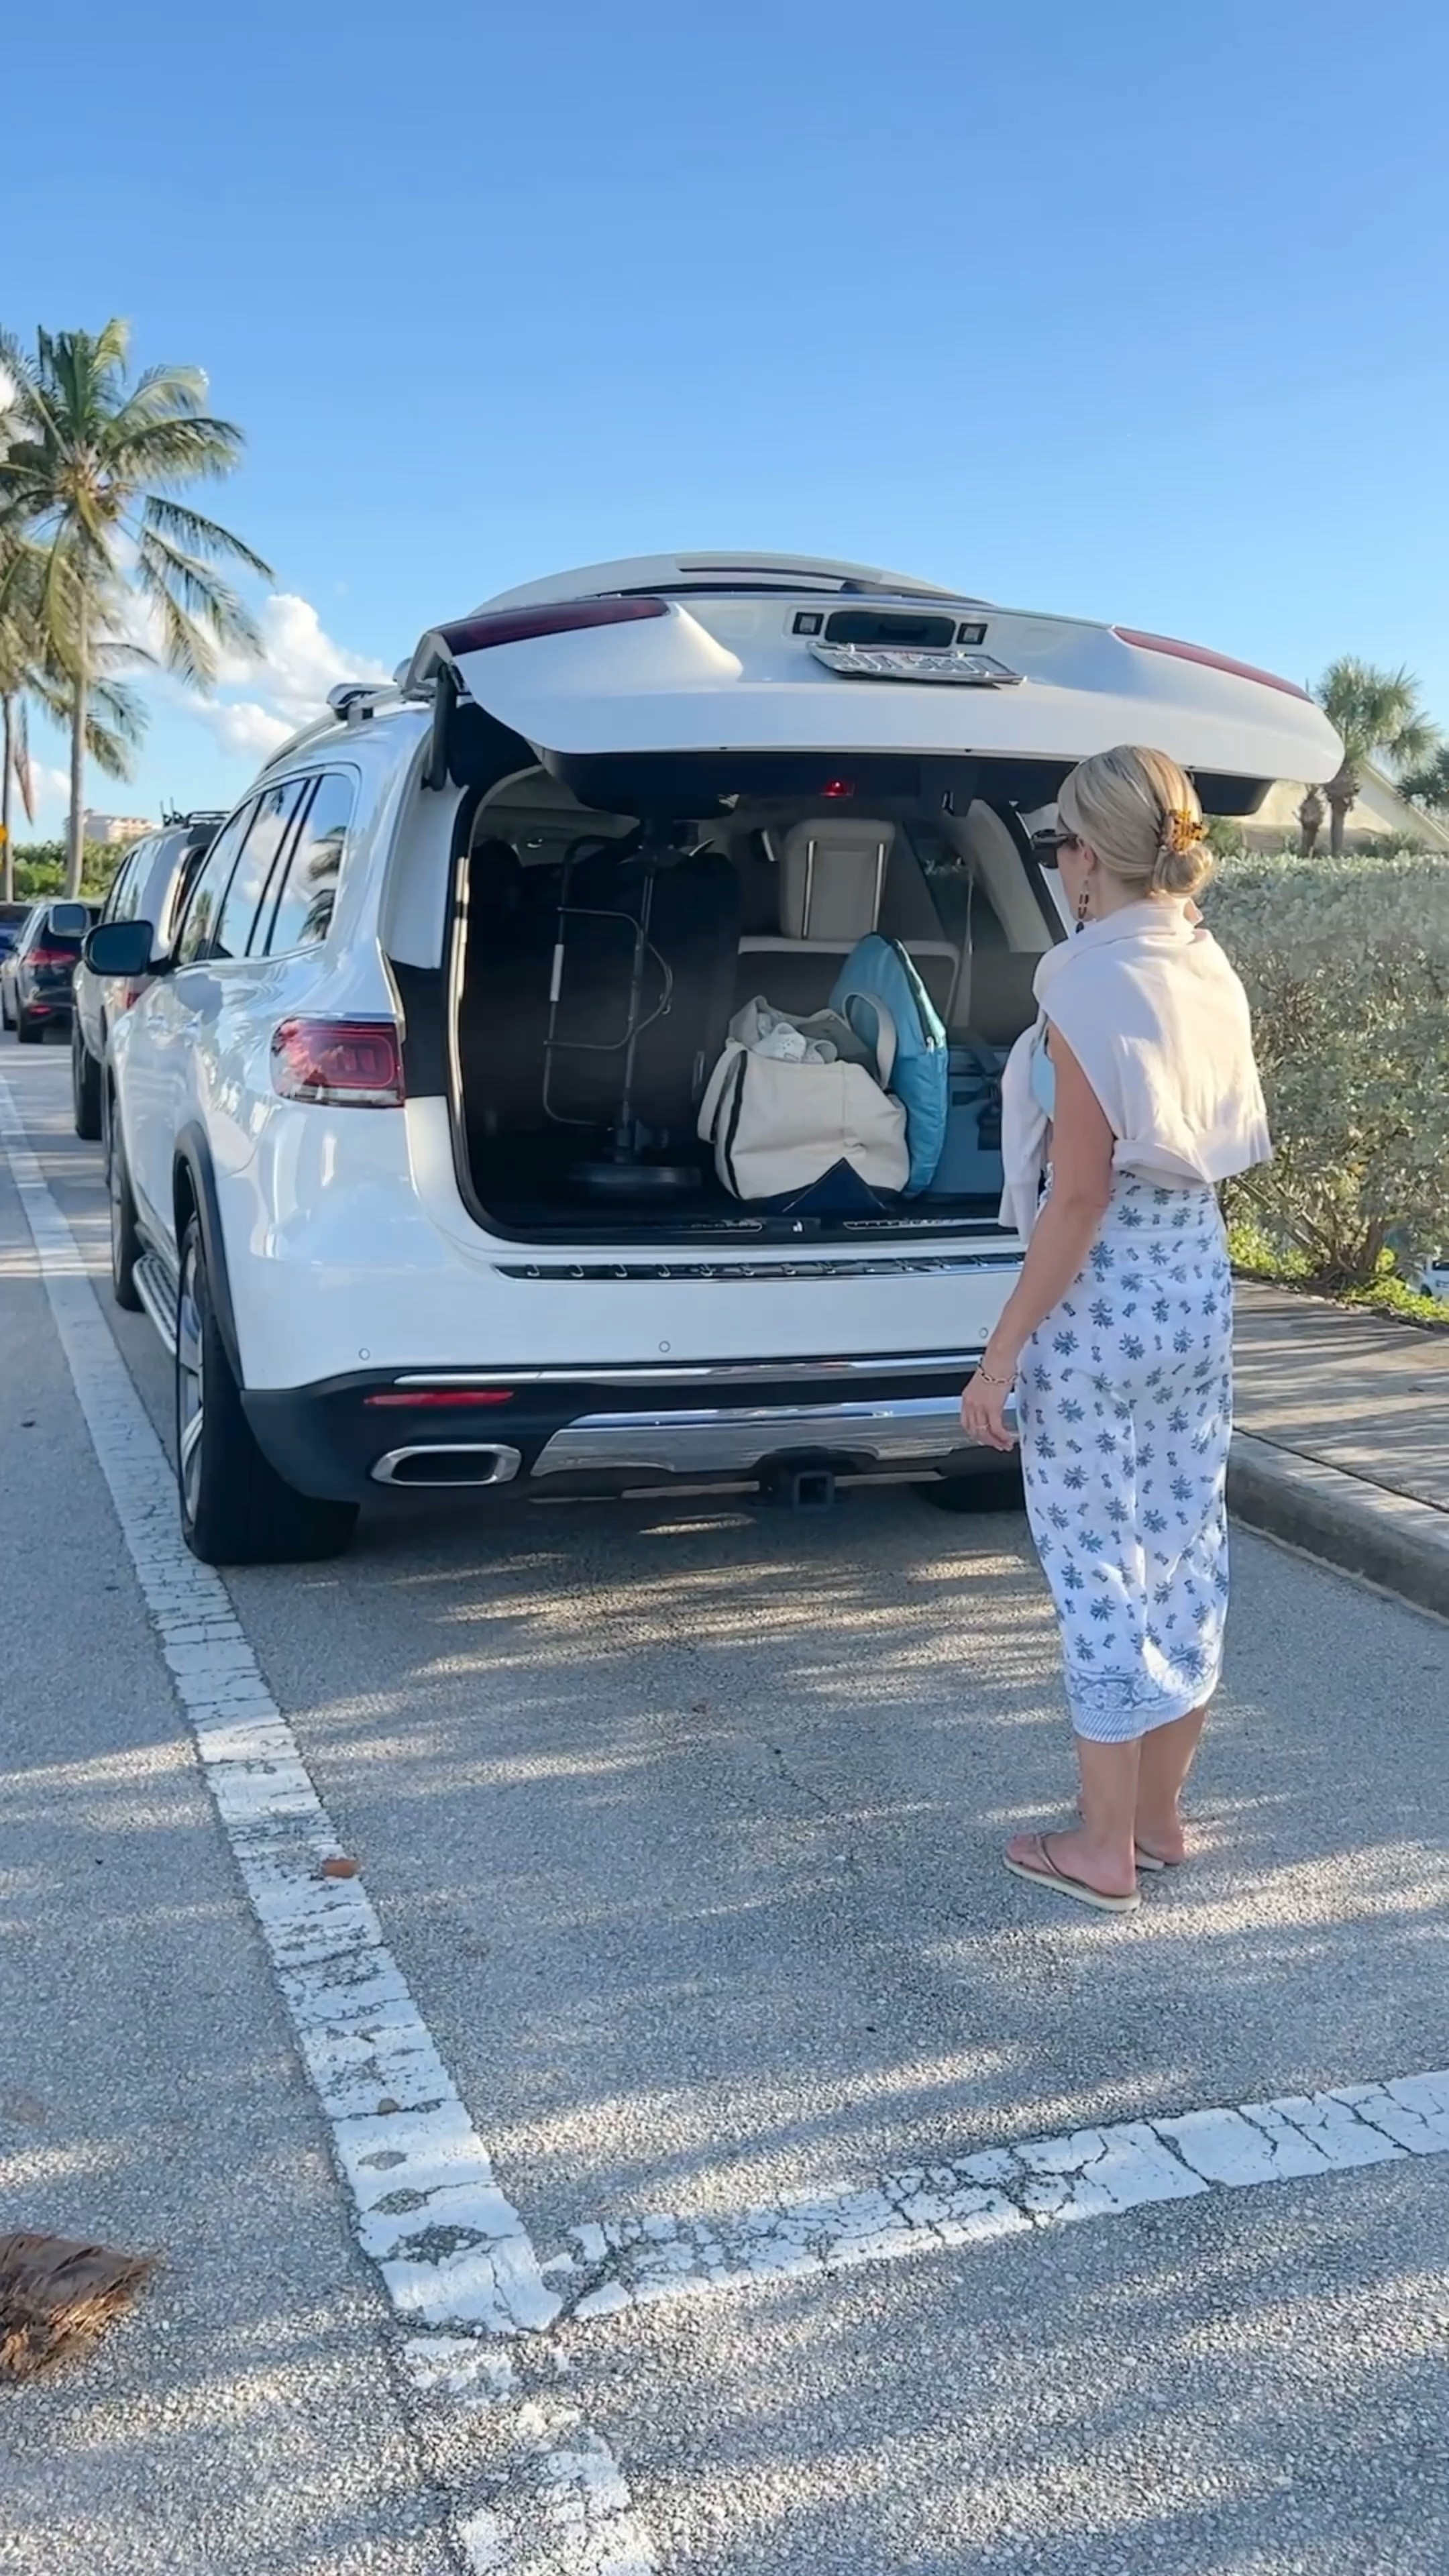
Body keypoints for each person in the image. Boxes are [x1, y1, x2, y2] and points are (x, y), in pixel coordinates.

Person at [959, 745, 1271, 1915]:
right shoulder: (1204, 959)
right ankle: (1157, 1821)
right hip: (1197, 1276)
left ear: (1087, 857)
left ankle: (1099, 1849)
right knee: (1187, 1540)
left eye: (1058, 848)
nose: (1057, 868)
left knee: (1097, 1559)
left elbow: (1077, 1193)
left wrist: (1000, 1358)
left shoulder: (1083, 979)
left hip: (1106, 1295)